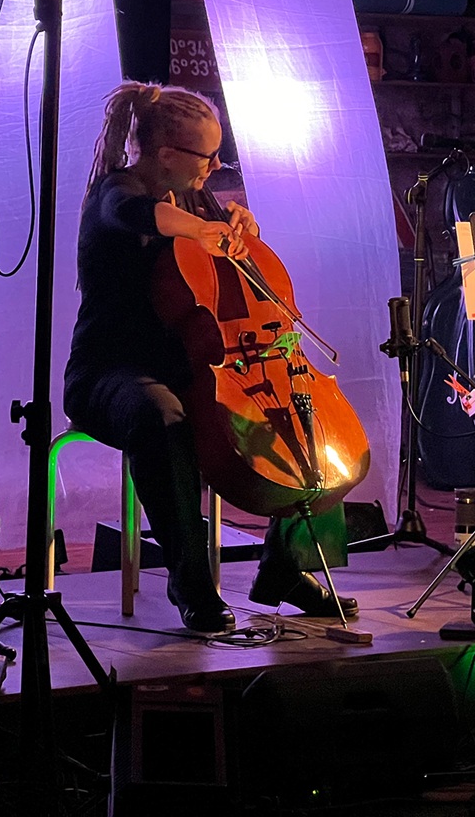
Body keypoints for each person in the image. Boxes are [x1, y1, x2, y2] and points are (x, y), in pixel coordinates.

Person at [64, 80, 357, 632]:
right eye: (207, 156)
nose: (217, 166)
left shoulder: (197, 196)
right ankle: (191, 583)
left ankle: (285, 566)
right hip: (111, 373)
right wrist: (204, 230)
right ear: (166, 155)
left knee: (303, 416)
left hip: (196, 367)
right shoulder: (118, 191)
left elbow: (226, 288)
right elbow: (138, 214)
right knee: (161, 417)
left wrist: (243, 229)